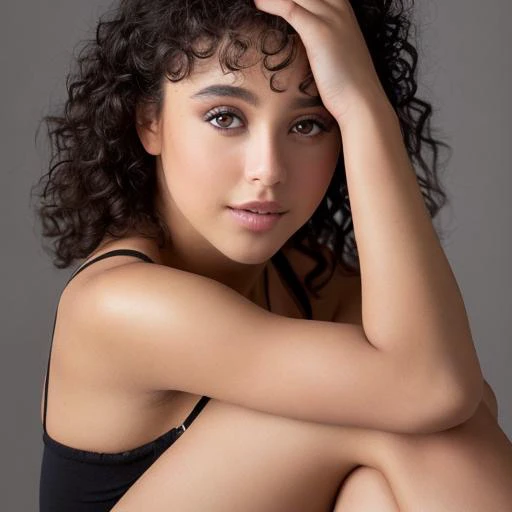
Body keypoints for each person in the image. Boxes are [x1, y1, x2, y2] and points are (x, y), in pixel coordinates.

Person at [33, 0, 512, 510]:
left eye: (309, 125)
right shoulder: (121, 303)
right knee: (402, 422)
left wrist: (357, 105)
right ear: (149, 121)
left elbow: (450, 387)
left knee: (374, 486)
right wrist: (363, 104)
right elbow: (434, 390)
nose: (269, 170)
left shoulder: (311, 278)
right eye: (225, 117)